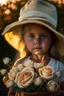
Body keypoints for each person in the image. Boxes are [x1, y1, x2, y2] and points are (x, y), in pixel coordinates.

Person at [2, 0, 64, 96]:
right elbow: (11, 93)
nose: (37, 41)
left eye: (43, 36)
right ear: (23, 40)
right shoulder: (19, 64)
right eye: (31, 36)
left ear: (52, 39)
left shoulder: (58, 67)